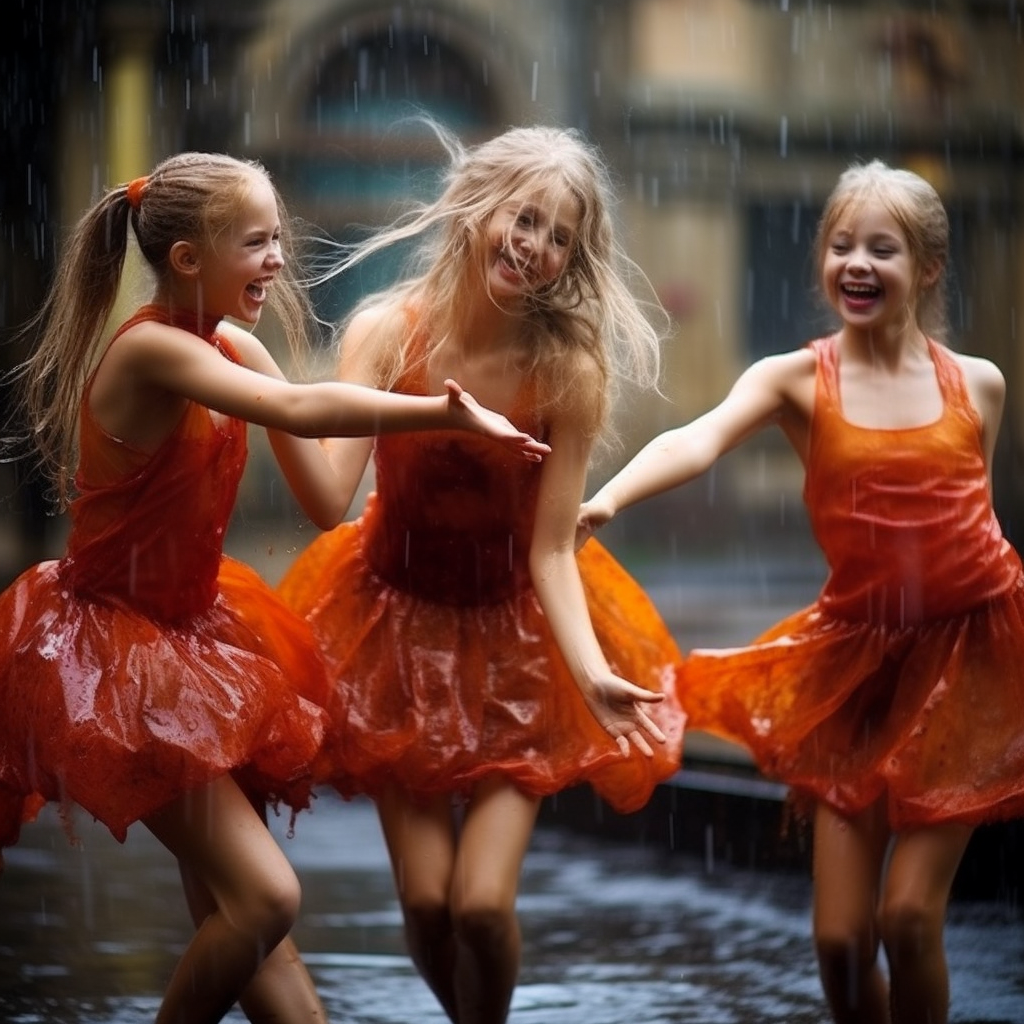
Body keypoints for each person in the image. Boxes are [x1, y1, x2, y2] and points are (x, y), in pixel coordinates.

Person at [0, 151, 550, 1024]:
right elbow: (299, 410)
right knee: (266, 901)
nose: (279, 261)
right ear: (189, 260)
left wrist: (422, 458)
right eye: (257, 243)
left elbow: (329, 500)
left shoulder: (235, 345)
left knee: (239, 917)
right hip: (113, 656)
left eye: (279, 240)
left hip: (197, 644)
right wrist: (440, 410)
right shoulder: (150, 353)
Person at [576, 159, 1024, 1024]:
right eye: (841, 245)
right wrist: (609, 496)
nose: (857, 263)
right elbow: (697, 438)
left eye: (882, 250)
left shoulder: (978, 382)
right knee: (840, 943)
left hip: (973, 658)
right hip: (855, 660)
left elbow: (980, 518)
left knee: (905, 917)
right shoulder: (794, 380)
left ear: (927, 269)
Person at [278, 123, 686, 1024]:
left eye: (559, 238)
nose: (534, 247)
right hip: (391, 629)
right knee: (427, 907)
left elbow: (551, 547)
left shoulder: (565, 368)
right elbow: (331, 496)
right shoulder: (387, 332)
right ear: (478, 207)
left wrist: (588, 677)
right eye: (524, 219)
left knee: (482, 907)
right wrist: (275, 395)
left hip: (517, 643)